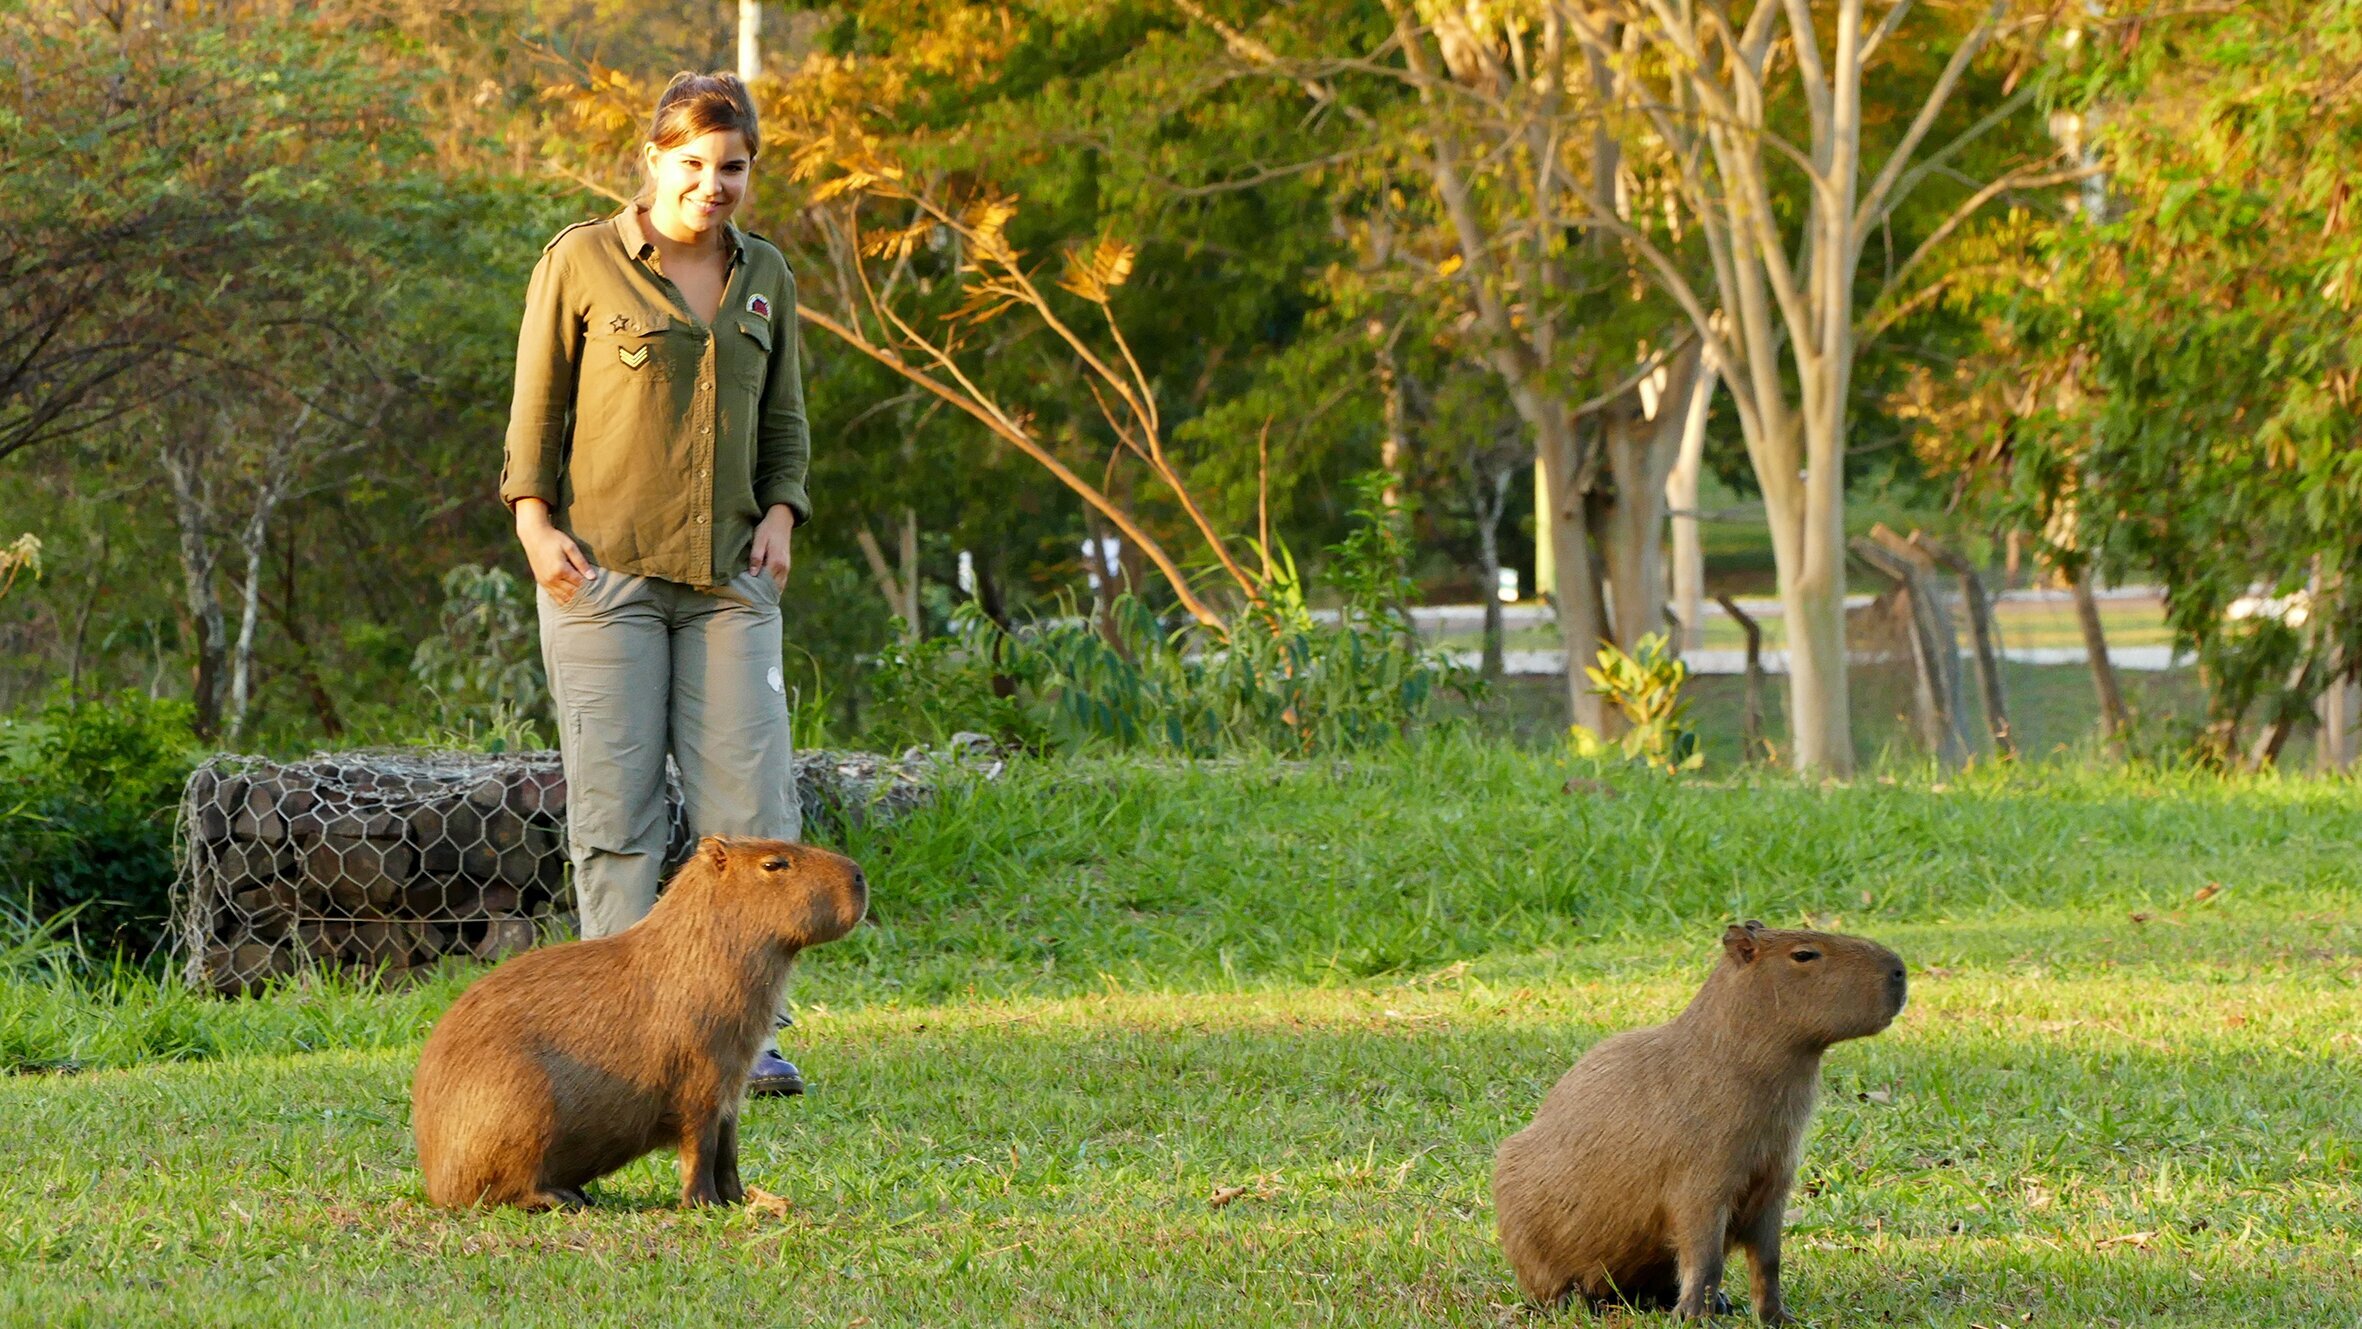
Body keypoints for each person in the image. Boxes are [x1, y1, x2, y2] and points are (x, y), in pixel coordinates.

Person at [499, 71, 812, 1096]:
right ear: (654, 161)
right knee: (617, 818)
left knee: (752, 819)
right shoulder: (582, 259)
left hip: (729, 582)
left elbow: (784, 420)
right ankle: (628, 1044)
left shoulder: (764, 274)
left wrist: (781, 511)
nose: (712, 184)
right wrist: (533, 521)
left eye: (731, 167)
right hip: (604, 580)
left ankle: (743, 1036)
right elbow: (535, 406)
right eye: (692, 165)